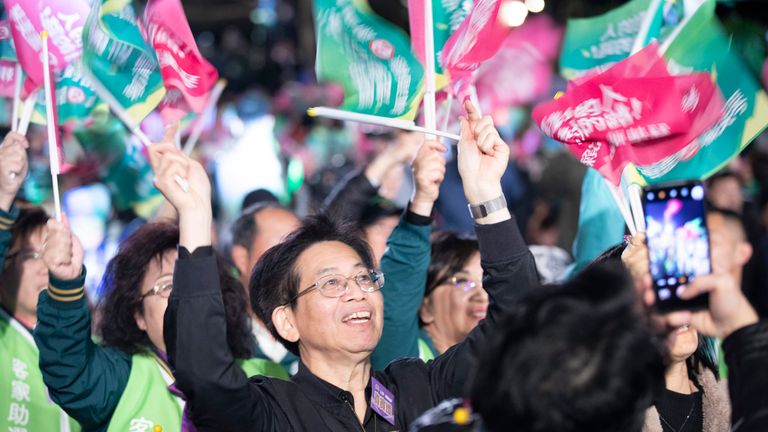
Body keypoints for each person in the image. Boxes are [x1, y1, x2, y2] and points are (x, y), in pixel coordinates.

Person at [160, 101, 538, 430]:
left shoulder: (419, 388)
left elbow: (518, 323)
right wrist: (194, 216)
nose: (357, 292)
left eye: (363, 278)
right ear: (286, 321)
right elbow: (204, 373)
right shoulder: (271, 412)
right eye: (332, 284)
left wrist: (485, 192)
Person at [0, 132, 81, 432]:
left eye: (48, 252)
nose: (44, 265)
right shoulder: (5, 337)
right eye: (30, 255)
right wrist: (3, 196)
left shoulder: (82, 342)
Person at [231, 202, 300, 375]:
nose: (292, 261)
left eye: (299, 250)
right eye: (278, 249)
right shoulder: (221, 338)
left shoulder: (319, 334)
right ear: (241, 258)